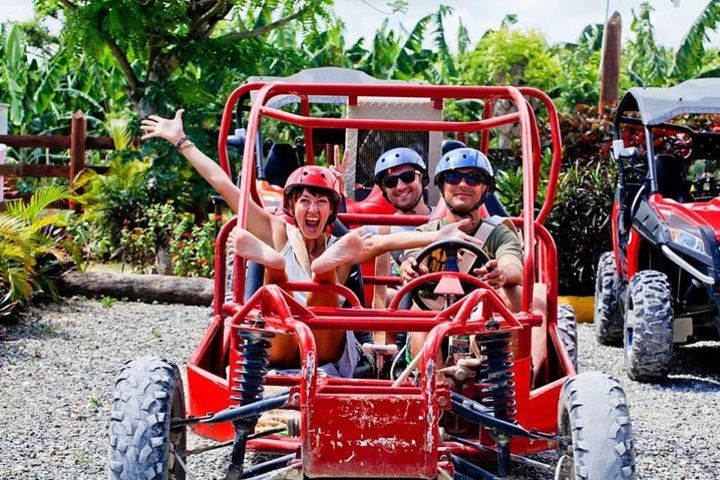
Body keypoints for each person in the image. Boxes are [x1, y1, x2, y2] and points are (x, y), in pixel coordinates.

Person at [140, 110, 482, 377]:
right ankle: (278, 267)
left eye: (321, 202)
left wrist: (438, 235)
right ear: (291, 206)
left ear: (332, 209)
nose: (312, 209)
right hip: (281, 343)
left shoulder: (343, 241)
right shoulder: (277, 229)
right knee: (278, 291)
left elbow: (390, 239)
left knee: (324, 279)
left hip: (328, 349)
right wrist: (182, 141)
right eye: (304, 201)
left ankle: (315, 270)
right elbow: (226, 186)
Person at [400, 147, 524, 357]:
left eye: (474, 178)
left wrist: (502, 273)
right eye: (453, 177)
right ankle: (430, 383)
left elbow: (512, 263)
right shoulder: (426, 233)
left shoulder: (498, 233)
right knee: (418, 311)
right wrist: (409, 268)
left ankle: (506, 379)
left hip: (482, 314)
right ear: (442, 186)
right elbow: (411, 257)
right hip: (433, 315)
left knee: (512, 294)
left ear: (485, 188)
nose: (463, 184)